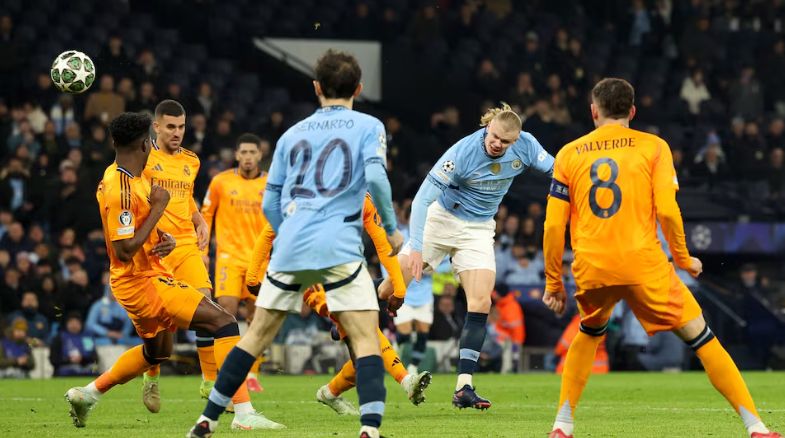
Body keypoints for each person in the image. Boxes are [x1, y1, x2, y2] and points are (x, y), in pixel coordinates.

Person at [542, 77, 781, 438]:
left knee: (589, 332)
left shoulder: (568, 153)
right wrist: (684, 259)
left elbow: (552, 225)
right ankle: (756, 427)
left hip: (593, 265)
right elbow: (668, 211)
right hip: (643, 264)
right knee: (702, 339)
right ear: (633, 111)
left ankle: (562, 424)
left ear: (593, 111)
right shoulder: (654, 147)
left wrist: (553, 282)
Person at [187, 49, 403, 438]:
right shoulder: (369, 125)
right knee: (366, 336)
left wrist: (288, 236)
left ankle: (206, 421)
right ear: (359, 87)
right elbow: (376, 178)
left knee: (254, 337)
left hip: (290, 246)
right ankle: (369, 429)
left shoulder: (291, 134)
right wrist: (391, 227)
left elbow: (271, 202)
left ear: (316, 87)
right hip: (339, 246)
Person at [65, 112, 279, 431]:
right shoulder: (120, 188)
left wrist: (158, 240)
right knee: (223, 321)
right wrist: (159, 209)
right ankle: (244, 413)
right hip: (143, 282)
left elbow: (134, 234)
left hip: (141, 276)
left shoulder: (130, 177)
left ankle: (88, 394)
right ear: (144, 144)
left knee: (158, 351)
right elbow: (123, 249)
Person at [378, 102, 554, 409]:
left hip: (479, 229)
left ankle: (464, 388)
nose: (497, 144)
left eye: (505, 141)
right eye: (494, 136)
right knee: (389, 288)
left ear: (516, 139)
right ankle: (350, 315)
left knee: (481, 301)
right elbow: (420, 201)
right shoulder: (461, 153)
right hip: (441, 220)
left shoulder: (526, 146)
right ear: (488, 128)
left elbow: (557, 167)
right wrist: (417, 247)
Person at [244, 194, 431, 416]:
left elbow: (384, 246)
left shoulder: (363, 198)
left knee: (362, 352)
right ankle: (405, 379)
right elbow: (269, 232)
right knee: (363, 331)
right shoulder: (306, 192)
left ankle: (330, 392)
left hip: (345, 270)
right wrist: (252, 277)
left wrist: (399, 290)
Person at [141, 99, 217, 407]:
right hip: (156, 248)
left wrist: (198, 218)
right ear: (156, 126)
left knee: (206, 306)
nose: (177, 133)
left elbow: (186, 197)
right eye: (171, 127)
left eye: (181, 127)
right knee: (158, 322)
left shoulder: (192, 160)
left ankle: (210, 382)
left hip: (185, 244)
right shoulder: (143, 158)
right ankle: (152, 375)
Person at [200, 132, 268, 392]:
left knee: (257, 318)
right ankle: (224, 371)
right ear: (237, 155)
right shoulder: (220, 182)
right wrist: (203, 250)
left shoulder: (271, 184)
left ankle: (252, 373)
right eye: (244, 152)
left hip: (260, 259)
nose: (248, 157)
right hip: (228, 257)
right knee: (224, 312)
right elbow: (206, 215)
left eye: (253, 152)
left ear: (259, 155)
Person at [50, 312, 98, 377]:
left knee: (93, 369)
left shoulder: (87, 338)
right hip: (65, 368)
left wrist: (82, 359)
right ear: (66, 324)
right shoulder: (59, 338)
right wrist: (68, 360)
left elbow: (94, 358)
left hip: (85, 367)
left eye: (77, 323)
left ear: (81, 324)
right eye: (71, 322)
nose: (74, 325)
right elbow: (54, 359)